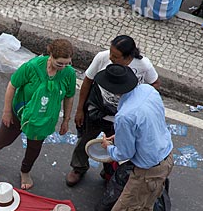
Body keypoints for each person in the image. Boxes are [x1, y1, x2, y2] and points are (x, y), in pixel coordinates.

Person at [78, 64, 174, 211]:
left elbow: (125, 154)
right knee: (146, 205)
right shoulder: (149, 91)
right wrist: (120, 138)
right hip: (165, 158)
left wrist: (109, 147)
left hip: (147, 171)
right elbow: (146, 127)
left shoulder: (125, 116)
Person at [0, 39, 77, 190]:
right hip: (19, 113)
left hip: (43, 119)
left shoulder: (69, 74)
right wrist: (7, 112)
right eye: (60, 63)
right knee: (1, 140)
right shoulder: (32, 67)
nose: (63, 67)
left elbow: (69, 97)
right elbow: (12, 85)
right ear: (51, 56)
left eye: (67, 63)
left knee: (34, 148)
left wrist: (66, 120)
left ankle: (25, 171)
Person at [66, 35, 160, 187]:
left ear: (128, 57)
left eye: (115, 57)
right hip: (98, 109)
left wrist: (137, 100)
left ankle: (109, 173)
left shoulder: (144, 65)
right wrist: (80, 110)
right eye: (110, 53)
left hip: (120, 116)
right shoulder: (102, 58)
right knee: (85, 139)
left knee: (115, 147)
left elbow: (154, 84)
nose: (111, 58)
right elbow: (88, 81)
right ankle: (78, 167)